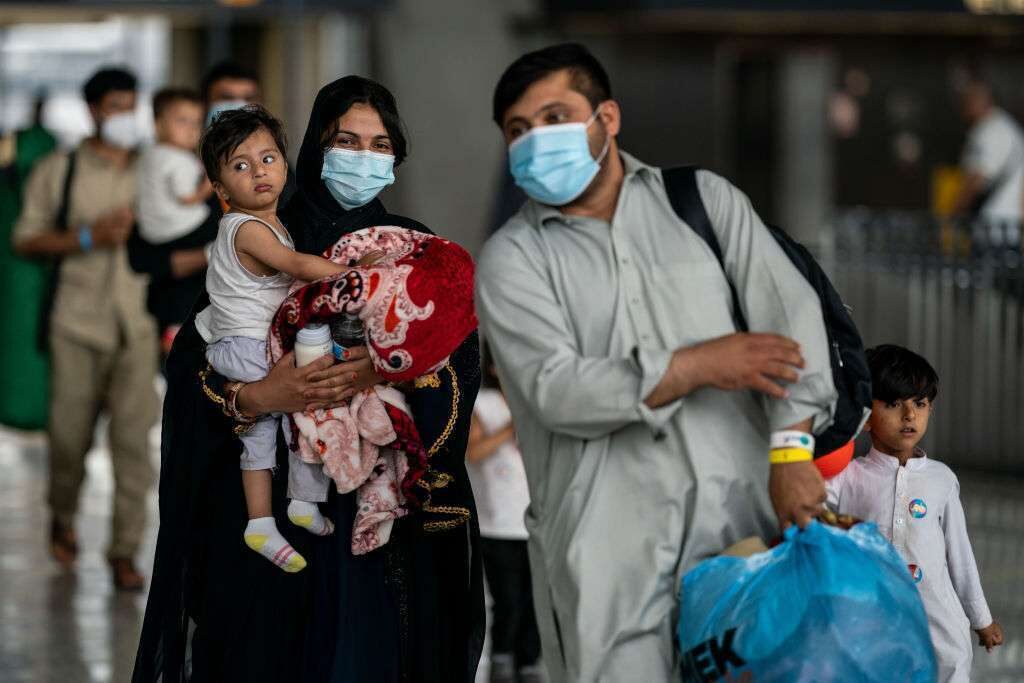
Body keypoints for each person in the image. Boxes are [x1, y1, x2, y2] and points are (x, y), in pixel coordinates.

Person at [475, 43, 838, 681]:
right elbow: (556, 390)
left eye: (555, 117)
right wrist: (697, 364)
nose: (536, 141)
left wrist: (791, 453)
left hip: (743, 530)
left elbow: (791, 325)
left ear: (607, 118)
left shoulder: (702, 203)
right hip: (604, 553)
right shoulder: (512, 259)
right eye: (518, 131)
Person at [133, 76, 484, 682]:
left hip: (376, 531)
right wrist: (258, 396)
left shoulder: (411, 249)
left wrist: (378, 371)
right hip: (266, 524)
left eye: (379, 145)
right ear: (316, 149)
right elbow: (198, 358)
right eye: (346, 140)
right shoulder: (264, 236)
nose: (363, 157)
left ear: (397, 155)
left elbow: (456, 358)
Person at [12, 67, 157, 591]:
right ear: (94, 110)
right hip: (75, 324)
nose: (126, 116)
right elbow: (25, 239)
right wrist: (89, 238)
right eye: (116, 106)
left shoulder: (156, 169)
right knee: (70, 441)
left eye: (131, 105)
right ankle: (63, 515)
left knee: (133, 445)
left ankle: (124, 551)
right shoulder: (60, 169)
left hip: (138, 325)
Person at [196, 105, 355, 571]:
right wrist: (354, 274)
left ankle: (289, 508)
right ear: (221, 189)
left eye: (268, 159)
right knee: (275, 425)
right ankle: (267, 519)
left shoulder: (274, 224)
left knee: (294, 420)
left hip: (253, 342)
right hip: (244, 346)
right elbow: (300, 268)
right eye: (240, 166)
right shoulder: (245, 228)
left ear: (286, 165)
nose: (259, 172)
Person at [826, 345, 1004, 682]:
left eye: (919, 404)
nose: (909, 416)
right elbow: (809, 502)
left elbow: (960, 555)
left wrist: (980, 619)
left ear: (930, 409)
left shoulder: (942, 479)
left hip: (938, 620)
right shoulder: (847, 476)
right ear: (866, 416)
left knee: (950, 667)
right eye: (893, 404)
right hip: (869, 617)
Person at [127, 61, 293, 354]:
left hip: (262, 326)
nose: (238, 107)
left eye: (248, 98)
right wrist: (218, 252)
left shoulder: (278, 175)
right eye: (226, 97)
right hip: (185, 323)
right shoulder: (177, 172)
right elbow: (142, 257)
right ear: (205, 107)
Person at [466, 347, 542, 683]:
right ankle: (501, 660)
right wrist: (513, 426)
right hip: (497, 523)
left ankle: (529, 662)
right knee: (507, 600)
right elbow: (473, 452)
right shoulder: (481, 403)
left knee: (537, 601)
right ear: (494, 367)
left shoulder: (538, 401)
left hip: (539, 522)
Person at [136, 87, 213, 353]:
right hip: (183, 226)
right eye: (182, 121)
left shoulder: (149, 155)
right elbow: (188, 197)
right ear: (158, 124)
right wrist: (210, 183)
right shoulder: (178, 159)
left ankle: (173, 330)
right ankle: (176, 332)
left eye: (196, 122)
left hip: (155, 230)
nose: (192, 129)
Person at [953, 77, 1024, 249]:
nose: (963, 108)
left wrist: (954, 212)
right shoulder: (1001, 126)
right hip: (1006, 226)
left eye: (967, 101)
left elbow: (978, 178)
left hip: (998, 227)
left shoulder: (992, 130)